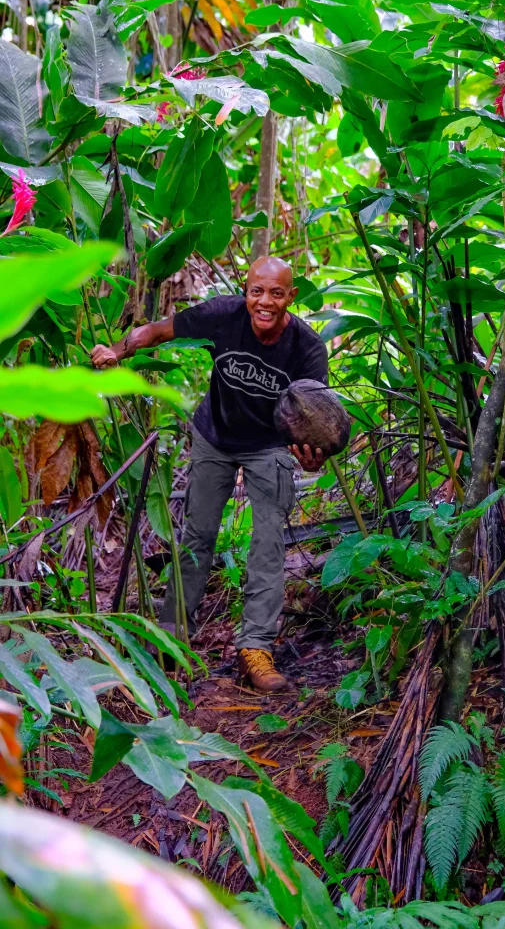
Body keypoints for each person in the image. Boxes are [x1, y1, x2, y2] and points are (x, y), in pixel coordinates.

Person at [91, 257, 328, 692]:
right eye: (257, 290)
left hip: (269, 446)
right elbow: (158, 331)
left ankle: (255, 649)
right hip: (214, 436)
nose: (265, 301)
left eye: (277, 293)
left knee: (269, 541)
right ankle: (172, 639)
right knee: (197, 536)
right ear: (246, 290)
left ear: (291, 297)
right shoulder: (222, 315)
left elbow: (314, 421)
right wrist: (117, 351)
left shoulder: (307, 349)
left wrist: (314, 457)